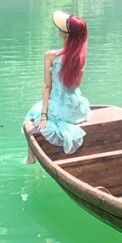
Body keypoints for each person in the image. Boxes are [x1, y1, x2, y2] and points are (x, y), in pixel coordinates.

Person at [23, 11, 90, 154]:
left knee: (31, 115)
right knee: (37, 111)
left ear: (68, 34)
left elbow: (47, 87)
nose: (59, 28)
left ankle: (31, 158)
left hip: (59, 108)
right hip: (76, 110)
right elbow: (77, 85)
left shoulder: (51, 56)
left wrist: (43, 116)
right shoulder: (80, 57)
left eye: (63, 27)